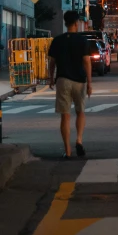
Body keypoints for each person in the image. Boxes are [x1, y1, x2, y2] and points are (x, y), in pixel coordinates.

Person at [48, 10, 92, 158]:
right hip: (79, 80)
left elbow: (52, 62)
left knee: (65, 116)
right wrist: (90, 83)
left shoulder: (57, 40)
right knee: (80, 112)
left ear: (65, 23)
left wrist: (50, 78)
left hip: (63, 80)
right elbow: (86, 61)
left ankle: (67, 150)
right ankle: (79, 140)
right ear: (76, 23)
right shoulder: (82, 40)